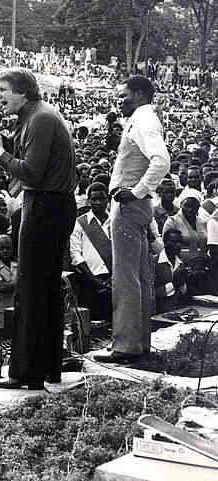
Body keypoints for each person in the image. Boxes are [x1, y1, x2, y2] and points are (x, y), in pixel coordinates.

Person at [0, 68, 77, 389]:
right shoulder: (37, 115)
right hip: (50, 205)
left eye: (3, 89)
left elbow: (31, 172)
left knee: (31, 290)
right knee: (46, 291)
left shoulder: (40, 119)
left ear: (23, 91)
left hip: (44, 205)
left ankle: (26, 373)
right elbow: (23, 151)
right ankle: (48, 368)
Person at [94, 76, 170, 364]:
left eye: (123, 96)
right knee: (138, 276)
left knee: (126, 277)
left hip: (129, 204)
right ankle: (138, 343)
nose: (119, 101)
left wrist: (136, 190)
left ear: (139, 95)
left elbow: (161, 160)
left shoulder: (142, 120)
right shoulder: (143, 117)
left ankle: (125, 345)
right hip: (136, 205)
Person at [68, 182, 113, 323]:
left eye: (102, 198)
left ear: (108, 199)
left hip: (114, 280)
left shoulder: (116, 221)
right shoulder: (79, 223)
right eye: (94, 199)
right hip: (89, 281)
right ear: (89, 200)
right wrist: (94, 280)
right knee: (92, 325)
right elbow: (75, 255)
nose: (98, 202)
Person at [154, 228, 189, 313]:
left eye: (180, 242)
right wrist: (173, 284)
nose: (177, 245)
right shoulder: (154, 263)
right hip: (160, 313)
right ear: (164, 242)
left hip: (181, 311)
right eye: (173, 242)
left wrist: (183, 284)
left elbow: (185, 294)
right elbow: (152, 294)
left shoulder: (182, 263)